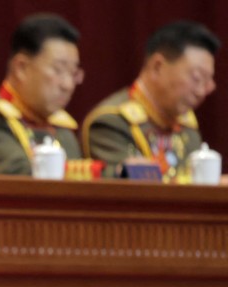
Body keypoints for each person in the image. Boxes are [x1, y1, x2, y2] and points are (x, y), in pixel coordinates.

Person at [82, 20, 219, 181]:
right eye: (197, 78)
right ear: (157, 67)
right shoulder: (112, 123)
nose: (202, 91)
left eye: (208, 82)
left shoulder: (188, 129)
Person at [0, 14, 83, 175]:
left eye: (73, 73)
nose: (67, 85)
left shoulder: (63, 130)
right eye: (58, 70)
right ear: (21, 68)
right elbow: (24, 177)